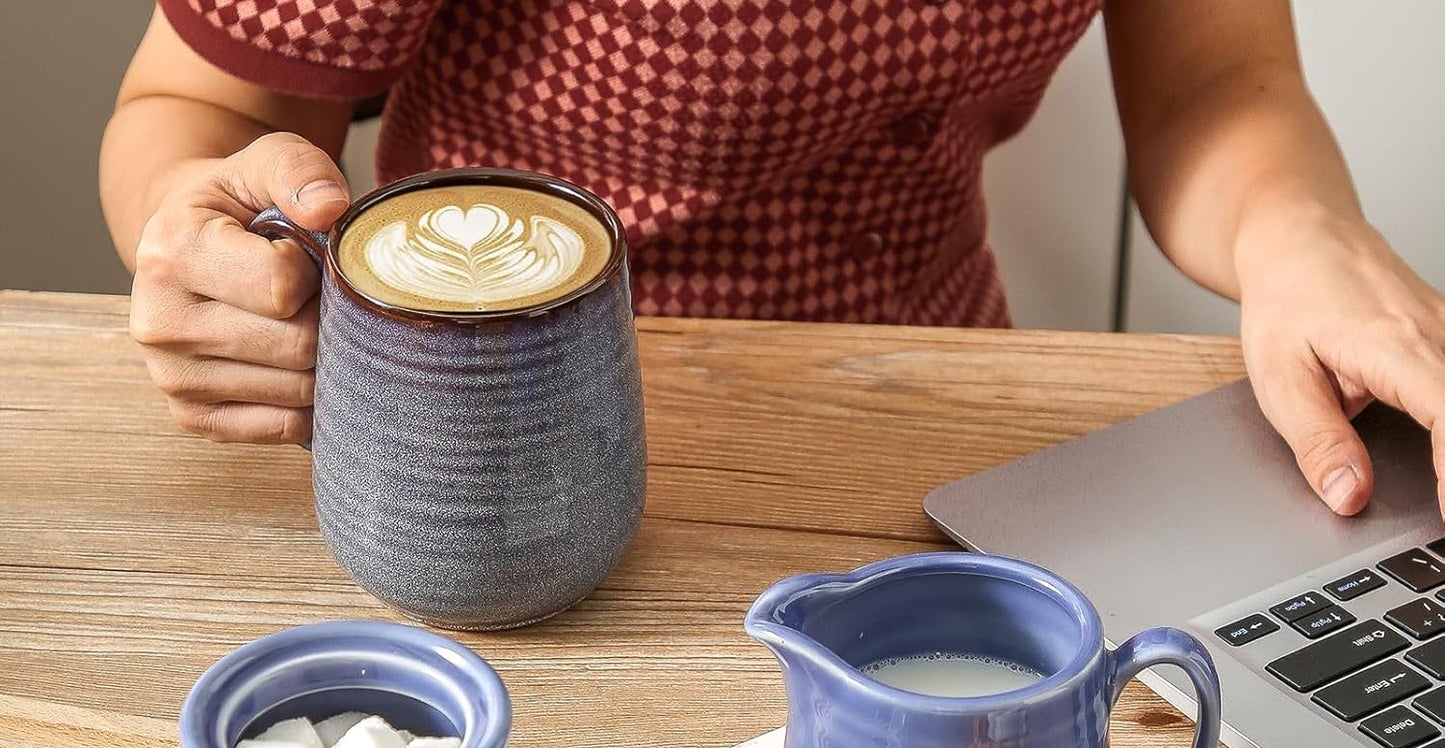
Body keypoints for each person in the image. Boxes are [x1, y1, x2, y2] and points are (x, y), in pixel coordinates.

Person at [101, 0, 1445, 518]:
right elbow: (207, 119)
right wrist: (189, 221)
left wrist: (1298, 235)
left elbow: (1213, 79)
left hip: (963, 457)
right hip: (509, 471)